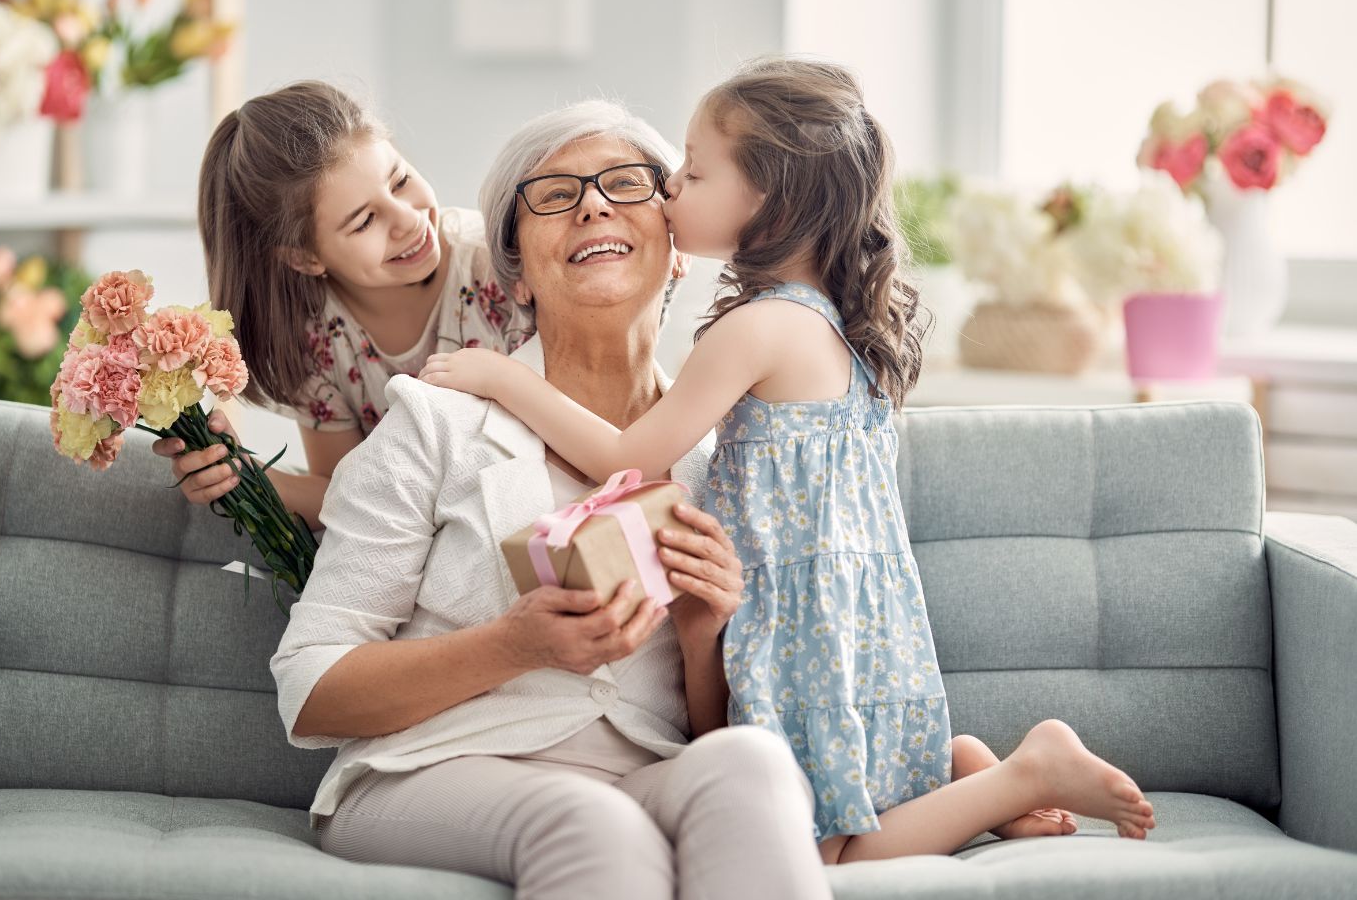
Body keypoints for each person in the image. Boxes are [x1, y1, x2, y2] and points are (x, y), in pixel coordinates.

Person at [420, 56, 1157, 863]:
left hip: (801, 605)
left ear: (766, 199)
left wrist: (500, 376)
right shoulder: (834, 323)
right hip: (854, 599)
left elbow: (628, 457)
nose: (669, 193)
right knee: (840, 792)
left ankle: (1020, 775)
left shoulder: (758, 329)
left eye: (693, 175)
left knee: (828, 855)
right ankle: (962, 769)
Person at [269, 100, 834, 899]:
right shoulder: (436, 424)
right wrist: (514, 646)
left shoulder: (729, 460)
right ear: (520, 275)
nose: (593, 204)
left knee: (751, 762)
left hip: (640, 775)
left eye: (624, 184)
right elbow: (311, 685)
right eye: (555, 195)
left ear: (676, 249)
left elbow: (708, 728)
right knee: (589, 821)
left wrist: (706, 633)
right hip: (429, 774)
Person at [152, 81, 519, 524]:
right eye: (365, 221)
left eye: (400, 181)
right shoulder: (316, 342)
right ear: (304, 258)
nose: (407, 219)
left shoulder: (498, 264)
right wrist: (243, 475)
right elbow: (344, 492)